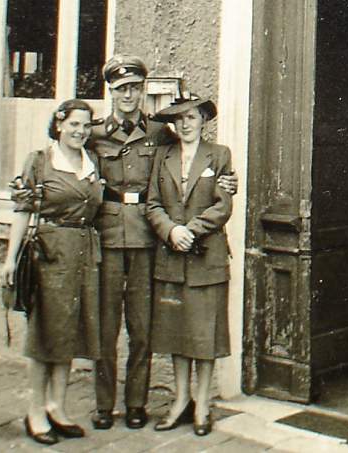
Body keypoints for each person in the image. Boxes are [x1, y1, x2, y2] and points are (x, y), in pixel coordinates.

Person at [89, 55, 238, 430]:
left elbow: (198, 173)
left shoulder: (160, 136)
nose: (128, 95)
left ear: (142, 91)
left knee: (143, 328)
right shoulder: (94, 135)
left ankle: (137, 404)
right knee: (106, 328)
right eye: (121, 89)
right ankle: (105, 405)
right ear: (110, 91)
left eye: (135, 88)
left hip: (146, 239)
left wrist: (227, 185)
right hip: (109, 237)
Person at [1, 99, 103, 445]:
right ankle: (35, 411)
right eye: (74, 124)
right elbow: (21, 209)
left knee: (70, 332)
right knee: (45, 332)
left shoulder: (93, 162)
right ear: (59, 125)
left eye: (86, 126)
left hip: (85, 253)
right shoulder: (40, 161)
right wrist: (10, 258)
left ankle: (57, 407)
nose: (80, 131)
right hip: (50, 252)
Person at [146, 94, 233, 436]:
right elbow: (152, 204)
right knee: (176, 331)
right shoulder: (162, 156)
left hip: (205, 257)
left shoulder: (220, 155)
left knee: (203, 333)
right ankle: (181, 400)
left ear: (203, 121)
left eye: (192, 117)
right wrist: (170, 232)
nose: (185, 124)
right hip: (171, 257)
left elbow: (222, 206)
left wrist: (189, 231)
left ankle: (203, 403)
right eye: (179, 118)